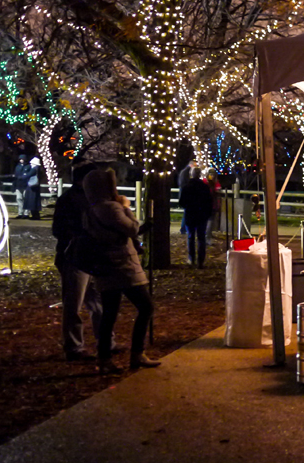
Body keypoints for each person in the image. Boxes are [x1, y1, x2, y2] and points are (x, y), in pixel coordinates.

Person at [83, 168, 159, 373]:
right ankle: (137, 353)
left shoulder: (91, 209)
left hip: (105, 266)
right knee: (146, 307)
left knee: (109, 312)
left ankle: (104, 358)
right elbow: (132, 228)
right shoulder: (110, 208)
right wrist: (126, 207)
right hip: (122, 266)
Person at [53, 163, 109, 361]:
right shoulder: (70, 200)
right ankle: (74, 346)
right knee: (74, 303)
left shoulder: (90, 200)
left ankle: (106, 341)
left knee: (97, 303)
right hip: (75, 257)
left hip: (90, 256)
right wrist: (81, 238)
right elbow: (59, 230)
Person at [179, 167, 214, 268]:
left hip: (190, 214)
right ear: (199, 175)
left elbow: (182, 202)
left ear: (191, 174)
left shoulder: (186, 187)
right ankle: (200, 261)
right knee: (201, 238)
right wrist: (207, 213)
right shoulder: (205, 187)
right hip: (202, 215)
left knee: (191, 237)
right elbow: (209, 202)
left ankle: (191, 258)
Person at [177, 159, 198, 234]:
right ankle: (183, 229)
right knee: (186, 213)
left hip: (185, 195)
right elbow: (184, 184)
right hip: (186, 196)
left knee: (186, 212)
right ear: (191, 165)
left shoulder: (184, 171)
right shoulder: (187, 172)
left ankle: (184, 229)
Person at [203, 168, 222, 241]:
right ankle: (207, 236)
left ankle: (208, 234)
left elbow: (218, 188)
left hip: (211, 204)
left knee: (210, 220)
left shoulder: (212, 182)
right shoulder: (206, 182)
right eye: (211, 174)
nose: (212, 176)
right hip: (209, 204)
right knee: (210, 220)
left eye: (213, 175)